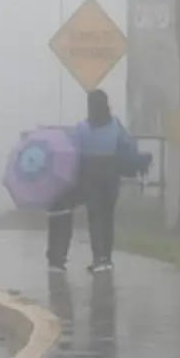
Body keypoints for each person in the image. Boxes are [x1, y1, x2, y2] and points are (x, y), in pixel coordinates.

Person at [47, 89, 144, 274]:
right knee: (108, 216)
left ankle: (98, 257)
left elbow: (72, 148)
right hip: (111, 174)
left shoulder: (83, 128)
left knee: (95, 216)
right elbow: (127, 144)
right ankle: (105, 258)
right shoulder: (115, 124)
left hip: (89, 175)